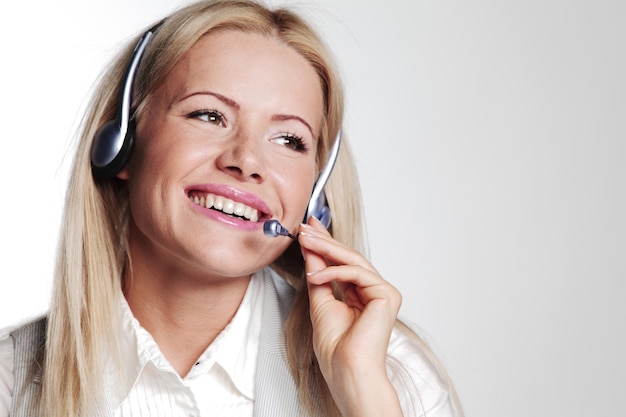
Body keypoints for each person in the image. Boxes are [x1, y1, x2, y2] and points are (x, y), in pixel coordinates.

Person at [0, 1, 463, 416]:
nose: (246, 161)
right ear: (121, 143)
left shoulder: (393, 376)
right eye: (209, 115)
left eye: (288, 139)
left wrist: (364, 396)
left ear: (315, 195)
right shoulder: (12, 384)